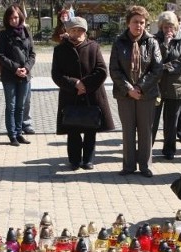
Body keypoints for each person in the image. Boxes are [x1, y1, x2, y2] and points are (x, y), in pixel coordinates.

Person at [51, 17, 114, 171]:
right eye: (73, 30)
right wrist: (75, 84)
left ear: (85, 32)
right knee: (72, 129)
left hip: (92, 94)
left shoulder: (94, 47)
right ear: (68, 31)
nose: (77, 33)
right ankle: (74, 160)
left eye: (80, 30)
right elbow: (56, 74)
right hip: (70, 95)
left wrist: (85, 84)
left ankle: (88, 160)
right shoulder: (60, 49)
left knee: (90, 129)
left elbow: (101, 71)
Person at [109, 5, 162, 178]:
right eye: (135, 22)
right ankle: (129, 166)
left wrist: (140, 87)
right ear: (128, 23)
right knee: (128, 130)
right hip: (125, 95)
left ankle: (145, 166)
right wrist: (129, 89)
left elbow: (157, 69)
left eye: (142, 22)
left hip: (146, 94)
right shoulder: (119, 42)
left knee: (146, 131)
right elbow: (114, 70)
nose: (138, 25)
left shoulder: (152, 42)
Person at [152, 11, 181, 160]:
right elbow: (153, 61)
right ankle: (146, 149)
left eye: (171, 26)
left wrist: (162, 67)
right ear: (161, 27)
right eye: (166, 27)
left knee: (171, 122)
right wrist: (165, 45)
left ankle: (169, 151)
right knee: (152, 121)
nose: (169, 30)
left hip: (177, 86)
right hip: (157, 87)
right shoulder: (154, 40)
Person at [0, 4, 35, 146]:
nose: (14, 20)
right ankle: (12, 135)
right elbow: (1, 55)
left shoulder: (26, 31)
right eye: (11, 18)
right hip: (10, 76)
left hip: (25, 75)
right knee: (11, 106)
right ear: (7, 19)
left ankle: (19, 133)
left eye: (16, 17)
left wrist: (26, 68)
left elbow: (32, 53)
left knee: (21, 106)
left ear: (20, 18)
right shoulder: (3, 34)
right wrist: (16, 69)